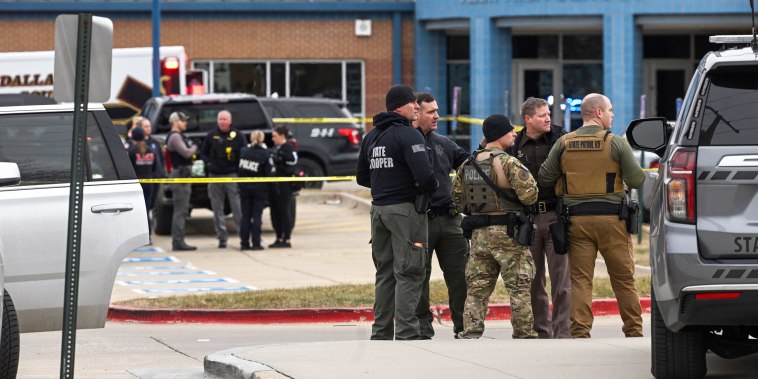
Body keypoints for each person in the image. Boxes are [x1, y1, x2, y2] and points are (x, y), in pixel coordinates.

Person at [538, 93, 645, 338]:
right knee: (623, 279)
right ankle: (633, 331)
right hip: (613, 222)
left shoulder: (564, 143)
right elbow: (637, 179)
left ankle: (580, 332)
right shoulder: (615, 142)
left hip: (576, 223)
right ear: (598, 113)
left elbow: (544, 177)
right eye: (610, 110)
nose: (612, 115)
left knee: (580, 280)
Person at [356, 84, 438, 340]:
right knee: (410, 272)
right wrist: (427, 187)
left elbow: (362, 177)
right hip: (405, 211)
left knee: (385, 273)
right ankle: (406, 333)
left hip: (378, 211)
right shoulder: (409, 135)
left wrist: (385, 185)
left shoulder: (372, 136)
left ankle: (380, 332)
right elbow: (426, 177)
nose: (417, 106)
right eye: (412, 103)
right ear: (399, 107)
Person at [452, 114, 538, 340]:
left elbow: (457, 200)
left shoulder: (468, 164)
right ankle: (524, 334)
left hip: (479, 235)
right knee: (519, 286)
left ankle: (470, 332)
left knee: (477, 288)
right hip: (509, 235)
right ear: (500, 134)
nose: (514, 134)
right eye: (510, 131)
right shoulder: (509, 162)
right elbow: (530, 196)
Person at [506, 97, 570, 339]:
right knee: (533, 281)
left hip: (555, 215)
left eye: (548, 114)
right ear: (527, 119)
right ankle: (542, 332)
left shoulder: (560, 138)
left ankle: (563, 333)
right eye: (542, 115)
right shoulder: (514, 144)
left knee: (561, 281)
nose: (548, 118)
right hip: (528, 220)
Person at [412, 92, 470, 339]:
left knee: (460, 276)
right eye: (430, 111)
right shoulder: (405, 142)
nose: (437, 115)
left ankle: (464, 325)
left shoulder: (443, 143)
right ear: (417, 113)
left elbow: (470, 165)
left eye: (437, 110)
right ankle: (422, 328)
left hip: (450, 219)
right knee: (418, 278)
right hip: (419, 220)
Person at [200, 109, 246, 249]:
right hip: (215, 176)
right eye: (220, 119)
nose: (222, 122)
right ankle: (222, 237)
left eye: (225, 119)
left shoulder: (237, 135)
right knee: (217, 208)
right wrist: (209, 163)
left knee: (237, 206)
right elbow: (203, 152)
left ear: (230, 121)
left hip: (232, 175)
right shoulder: (211, 135)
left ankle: (243, 235)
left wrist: (239, 170)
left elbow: (244, 152)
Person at [165, 111, 198, 251]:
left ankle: (179, 240)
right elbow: (186, 152)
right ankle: (178, 242)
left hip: (182, 175)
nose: (185, 123)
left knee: (183, 210)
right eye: (183, 120)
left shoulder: (179, 136)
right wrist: (195, 147)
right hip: (180, 175)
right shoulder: (175, 137)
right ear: (175, 122)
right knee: (180, 210)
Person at [238, 130, 273, 251]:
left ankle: (244, 243)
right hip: (259, 189)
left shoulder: (243, 152)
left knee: (245, 216)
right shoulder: (265, 154)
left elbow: (239, 170)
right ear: (262, 139)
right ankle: (256, 243)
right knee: (257, 216)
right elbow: (269, 173)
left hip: (244, 188)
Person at [126, 126, 160, 241]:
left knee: (135, 211)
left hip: (136, 185)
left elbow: (128, 169)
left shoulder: (131, 152)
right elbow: (156, 168)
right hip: (149, 184)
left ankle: (136, 237)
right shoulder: (151, 151)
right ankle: (148, 236)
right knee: (146, 210)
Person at [268, 126, 298, 248]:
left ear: (282, 136)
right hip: (274, 184)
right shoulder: (275, 148)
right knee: (274, 213)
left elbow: (293, 162)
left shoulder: (288, 148)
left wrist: (280, 158)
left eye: (275, 136)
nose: (273, 138)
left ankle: (287, 239)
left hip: (284, 185)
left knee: (283, 211)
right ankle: (278, 237)